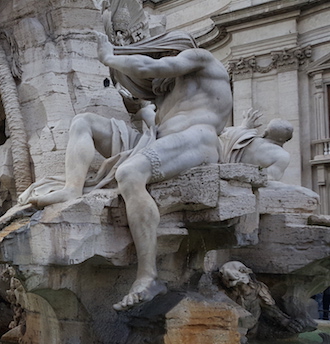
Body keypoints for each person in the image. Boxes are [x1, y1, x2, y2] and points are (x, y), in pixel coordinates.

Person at [26, 30, 233, 311]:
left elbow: (152, 68)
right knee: (84, 122)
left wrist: (111, 57)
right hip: (158, 141)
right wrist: (137, 107)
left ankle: (148, 277)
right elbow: (153, 118)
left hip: (199, 140)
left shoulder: (200, 58)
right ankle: (71, 188)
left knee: (130, 172)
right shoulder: (168, 95)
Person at [219, 109, 293, 181]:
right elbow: (269, 180)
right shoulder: (282, 156)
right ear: (286, 139)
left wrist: (244, 127)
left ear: (266, 131)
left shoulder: (243, 135)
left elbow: (218, 131)